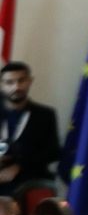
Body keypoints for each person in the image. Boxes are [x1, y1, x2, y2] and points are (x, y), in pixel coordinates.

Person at [0, 61, 60, 197]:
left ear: (30, 81)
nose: (16, 87)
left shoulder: (45, 115)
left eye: (21, 81)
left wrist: (19, 166)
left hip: (28, 183)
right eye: (9, 82)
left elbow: (53, 152)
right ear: (2, 85)